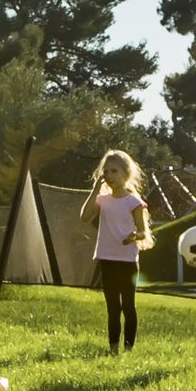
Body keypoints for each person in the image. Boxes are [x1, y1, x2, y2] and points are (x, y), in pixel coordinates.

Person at [76, 151, 162, 356]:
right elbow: (84, 217)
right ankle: (113, 348)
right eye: (106, 171)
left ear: (126, 173)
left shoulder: (134, 202)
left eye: (114, 171)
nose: (109, 175)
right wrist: (95, 190)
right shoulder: (103, 200)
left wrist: (134, 235)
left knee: (128, 307)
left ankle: (129, 347)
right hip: (107, 259)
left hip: (127, 261)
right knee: (112, 308)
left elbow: (143, 232)